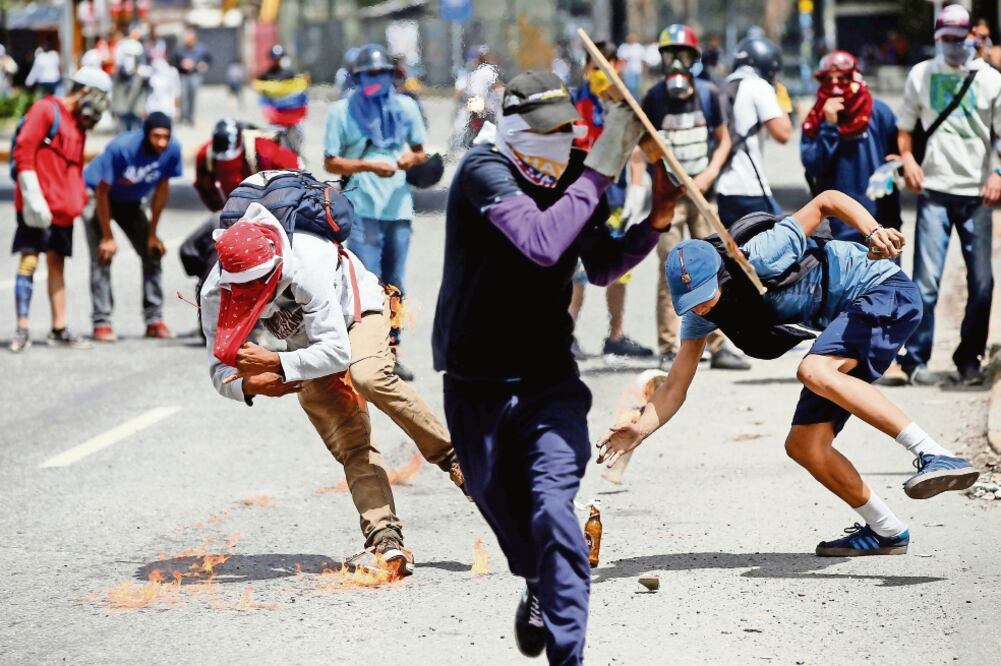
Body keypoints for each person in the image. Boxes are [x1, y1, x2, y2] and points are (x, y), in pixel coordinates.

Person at [433, 70, 680, 664]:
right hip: (475, 384)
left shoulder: (574, 177)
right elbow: (541, 241)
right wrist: (600, 170)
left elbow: (600, 264)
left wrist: (656, 221)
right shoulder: (483, 171)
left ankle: (569, 655)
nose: (557, 140)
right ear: (513, 127)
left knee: (553, 509)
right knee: (502, 507)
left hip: (549, 381)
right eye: (544, 130)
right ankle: (536, 581)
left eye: (564, 129)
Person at [597, 190, 981, 557]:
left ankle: (935, 454)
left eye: (703, 296)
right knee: (804, 445)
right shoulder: (703, 315)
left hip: (883, 291)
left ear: (718, 275)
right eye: (689, 304)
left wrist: (873, 232)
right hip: (848, 318)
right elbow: (675, 385)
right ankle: (886, 529)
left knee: (813, 369)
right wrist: (641, 429)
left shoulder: (762, 253)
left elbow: (827, 201)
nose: (699, 309)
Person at [200, 204, 461, 578]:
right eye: (243, 288)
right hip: (306, 344)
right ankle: (385, 538)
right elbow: (219, 369)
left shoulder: (306, 265)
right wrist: (249, 385)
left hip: (357, 313)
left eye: (260, 285)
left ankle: (455, 458)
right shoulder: (217, 292)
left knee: (367, 375)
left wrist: (277, 362)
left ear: (276, 266)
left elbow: (337, 352)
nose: (252, 295)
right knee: (350, 438)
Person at [631, 24, 750, 371]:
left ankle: (719, 344)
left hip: (703, 196)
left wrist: (710, 173)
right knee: (671, 269)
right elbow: (642, 147)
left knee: (715, 267)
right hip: (668, 200)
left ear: (694, 58)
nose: (676, 63)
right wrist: (647, 186)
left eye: (682, 55)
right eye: (670, 55)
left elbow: (724, 140)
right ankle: (669, 347)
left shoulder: (709, 94)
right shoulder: (654, 98)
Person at [896, 4, 1001, 387]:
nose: (953, 46)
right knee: (925, 282)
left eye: (959, 39)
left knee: (983, 284)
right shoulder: (921, 74)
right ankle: (916, 359)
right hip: (935, 191)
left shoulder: (990, 80)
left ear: (970, 36)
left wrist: (998, 173)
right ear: (937, 38)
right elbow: (905, 129)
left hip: (977, 195)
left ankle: (968, 358)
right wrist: (909, 160)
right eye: (946, 39)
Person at [323, 43, 428, 381]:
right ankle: (365, 353)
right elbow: (330, 161)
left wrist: (410, 159)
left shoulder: (406, 108)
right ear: (357, 78)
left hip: (398, 207)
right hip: (361, 206)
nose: (377, 80)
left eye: (382, 73)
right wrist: (368, 166)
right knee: (366, 284)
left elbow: (420, 151)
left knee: (395, 284)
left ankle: (392, 351)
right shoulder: (341, 112)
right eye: (369, 74)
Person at [8, 67, 112, 353]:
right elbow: (23, 152)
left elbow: (75, 167)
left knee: (57, 264)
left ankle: (59, 328)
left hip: (63, 210)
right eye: (100, 98)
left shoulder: (78, 124)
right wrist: (33, 198)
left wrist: (78, 198)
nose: (100, 107)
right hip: (37, 205)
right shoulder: (45, 111)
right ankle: (22, 328)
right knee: (29, 261)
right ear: (85, 91)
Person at [568, 40, 653, 362]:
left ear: (617, 66)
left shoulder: (626, 102)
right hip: (582, 197)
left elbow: (637, 147)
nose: (600, 74)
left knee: (619, 268)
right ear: (585, 69)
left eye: (606, 67)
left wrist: (636, 191)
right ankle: (566, 334)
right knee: (576, 272)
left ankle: (616, 335)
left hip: (616, 198)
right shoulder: (575, 101)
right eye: (595, 68)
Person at [84, 112, 183, 341]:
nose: (162, 142)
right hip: (97, 197)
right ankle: (101, 322)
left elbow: (162, 189)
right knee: (103, 255)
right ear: (146, 134)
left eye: (166, 137)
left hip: (129, 201)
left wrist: (153, 234)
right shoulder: (121, 148)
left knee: (152, 252)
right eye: (156, 136)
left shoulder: (172, 150)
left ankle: (154, 320)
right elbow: (102, 192)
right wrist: (107, 237)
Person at [801, 50, 902, 243]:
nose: (835, 85)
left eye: (842, 78)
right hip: (837, 226)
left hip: (880, 222)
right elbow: (813, 165)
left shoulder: (878, 112)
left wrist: (901, 162)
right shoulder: (815, 120)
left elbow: (899, 155)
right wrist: (829, 126)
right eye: (828, 80)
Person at [715, 36, 792, 227]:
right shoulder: (758, 86)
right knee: (786, 235)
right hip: (749, 187)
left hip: (723, 189)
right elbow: (783, 134)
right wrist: (781, 100)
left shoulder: (724, 86)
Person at [253, 45, 309, 155]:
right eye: (274, 58)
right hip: (275, 118)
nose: (277, 60)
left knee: (297, 141)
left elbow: (297, 91)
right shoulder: (265, 75)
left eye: (279, 58)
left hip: (291, 118)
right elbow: (262, 95)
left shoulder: (289, 74)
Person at [111, 24, 148, 131]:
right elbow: (118, 62)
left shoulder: (139, 46)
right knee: (123, 108)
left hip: (136, 81)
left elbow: (142, 64)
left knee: (135, 108)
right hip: (122, 81)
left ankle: (135, 128)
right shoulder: (123, 45)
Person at [171, 27, 211, 126]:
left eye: (189, 38)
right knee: (183, 96)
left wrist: (204, 65)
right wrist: (181, 64)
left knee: (192, 95)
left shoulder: (201, 49)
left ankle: (190, 117)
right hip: (183, 74)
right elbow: (172, 61)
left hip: (195, 74)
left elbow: (208, 59)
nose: (187, 40)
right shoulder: (179, 49)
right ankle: (183, 117)